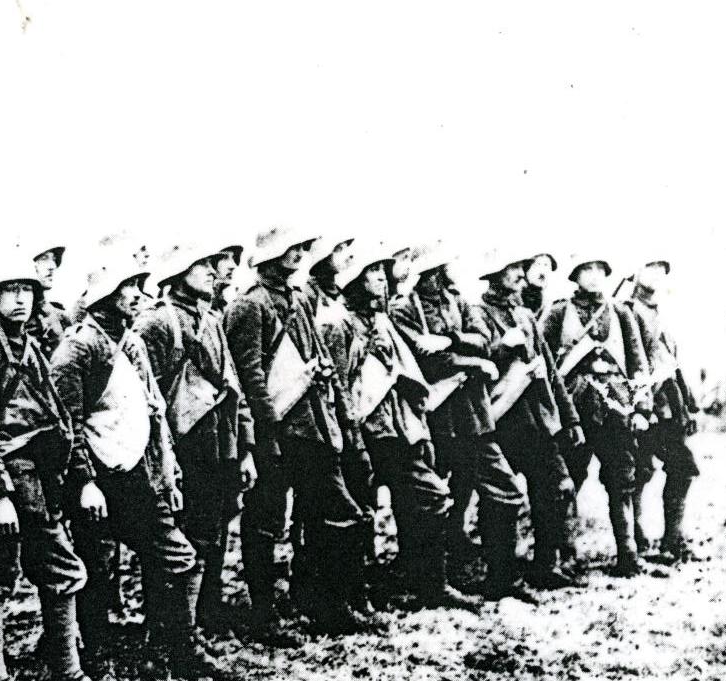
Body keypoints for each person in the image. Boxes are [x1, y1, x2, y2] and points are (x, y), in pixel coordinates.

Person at [52, 251, 234, 680]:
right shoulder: (78, 349)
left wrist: (167, 469)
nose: (136, 296)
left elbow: (154, 413)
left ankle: (180, 647)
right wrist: (84, 481)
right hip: (98, 480)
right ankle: (98, 658)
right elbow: (69, 424)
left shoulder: (130, 342)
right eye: (126, 288)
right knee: (96, 568)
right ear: (104, 296)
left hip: (140, 478)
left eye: (137, 287)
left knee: (181, 557)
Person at [0, 253, 117, 681]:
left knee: (61, 571)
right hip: (9, 482)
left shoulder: (28, 347)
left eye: (28, 290)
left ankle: (65, 675)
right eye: (11, 290)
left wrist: (83, 478)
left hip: (38, 480)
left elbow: (60, 417)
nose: (22, 299)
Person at [228, 228, 370, 639]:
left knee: (337, 513)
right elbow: (250, 377)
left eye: (303, 248)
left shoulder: (298, 299)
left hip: (311, 429)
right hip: (277, 433)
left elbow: (318, 359)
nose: (300, 254)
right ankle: (265, 616)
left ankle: (325, 604)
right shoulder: (250, 306)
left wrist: (342, 420)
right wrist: (264, 434)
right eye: (293, 247)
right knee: (265, 524)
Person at [325, 248, 478, 614]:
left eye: (381, 270)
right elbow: (340, 387)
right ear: (355, 283)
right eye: (372, 271)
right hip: (364, 430)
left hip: (398, 431)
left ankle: (429, 585)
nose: (381, 277)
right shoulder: (339, 325)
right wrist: (352, 435)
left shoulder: (383, 321)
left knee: (430, 498)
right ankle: (358, 595)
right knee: (359, 515)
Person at [390, 253, 541, 589]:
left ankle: (501, 580)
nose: (446, 271)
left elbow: (484, 343)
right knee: (427, 501)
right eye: (440, 265)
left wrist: (453, 341)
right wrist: (470, 362)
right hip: (433, 416)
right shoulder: (403, 309)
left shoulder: (458, 301)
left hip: (472, 417)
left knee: (504, 490)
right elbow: (427, 359)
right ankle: (425, 581)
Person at [131, 245, 254, 640]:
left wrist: (246, 449)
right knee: (172, 543)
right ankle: (164, 630)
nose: (208, 271)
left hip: (218, 447)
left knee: (211, 535)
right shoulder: (156, 322)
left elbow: (234, 387)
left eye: (207, 265)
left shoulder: (212, 318)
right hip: (181, 452)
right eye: (199, 265)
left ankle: (202, 620)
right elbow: (143, 397)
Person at [471, 255, 584, 599]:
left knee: (556, 487)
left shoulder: (524, 315)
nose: (520, 275)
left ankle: (545, 566)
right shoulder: (477, 314)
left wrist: (571, 420)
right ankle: (501, 578)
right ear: (494, 275)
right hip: (500, 421)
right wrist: (503, 349)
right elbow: (478, 363)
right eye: (512, 269)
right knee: (499, 500)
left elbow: (550, 371)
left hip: (537, 423)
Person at [541, 257, 651, 575]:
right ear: (575, 276)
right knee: (566, 481)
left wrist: (642, 408)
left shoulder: (620, 312)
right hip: (573, 409)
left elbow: (638, 362)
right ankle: (564, 556)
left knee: (622, 479)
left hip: (615, 408)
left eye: (599, 270)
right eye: (586, 270)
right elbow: (545, 364)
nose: (594, 276)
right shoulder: (559, 311)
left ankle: (628, 555)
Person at [624, 260, 700, 562]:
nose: (656, 276)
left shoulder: (659, 314)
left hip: (668, 405)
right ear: (635, 274)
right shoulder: (625, 311)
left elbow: (671, 362)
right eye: (649, 268)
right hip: (644, 405)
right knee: (638, 472)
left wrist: (688, 403)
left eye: (661, 270)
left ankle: (671, 541)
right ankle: (637, 540)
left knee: (681, 467)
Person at [26, 245, 72, 357]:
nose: (52, 266)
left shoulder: (60, 317)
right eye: (44, 258)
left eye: (54, 259)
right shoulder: (9, 318)